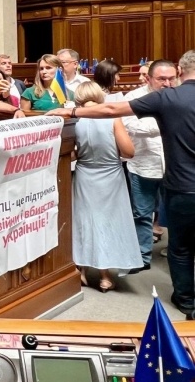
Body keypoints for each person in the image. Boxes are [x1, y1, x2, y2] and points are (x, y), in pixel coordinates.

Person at [47, 50, 195, 318]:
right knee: (113, 221)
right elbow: (127, 147)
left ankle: (186, 302)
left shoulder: (169, 97)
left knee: (180, 247)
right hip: (118, 174)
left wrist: (71, 111)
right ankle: (107, 274)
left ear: (181, 72)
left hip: (178, 184)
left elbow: (112, 110)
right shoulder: (164, 96)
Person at [71, 82, 141, 292]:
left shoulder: (76, 120)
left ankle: (80, 270)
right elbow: (129, 152)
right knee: (108, 222)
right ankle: (105, 277)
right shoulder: (111, 118)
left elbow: (72, 154)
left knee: (83, 221)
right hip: (110, 175)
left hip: (84, 174)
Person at [122, 60, 176, 273]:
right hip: (143, 165)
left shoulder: (180, 96)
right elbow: (130, 126)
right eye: (161, 79)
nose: (167, 83)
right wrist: (165, 124)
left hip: (174, 166)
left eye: (171, 78)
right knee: (142, 213)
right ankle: (142, 256)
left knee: (176, 213)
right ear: (149, 78)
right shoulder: (133, 98)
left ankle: (176, 252)